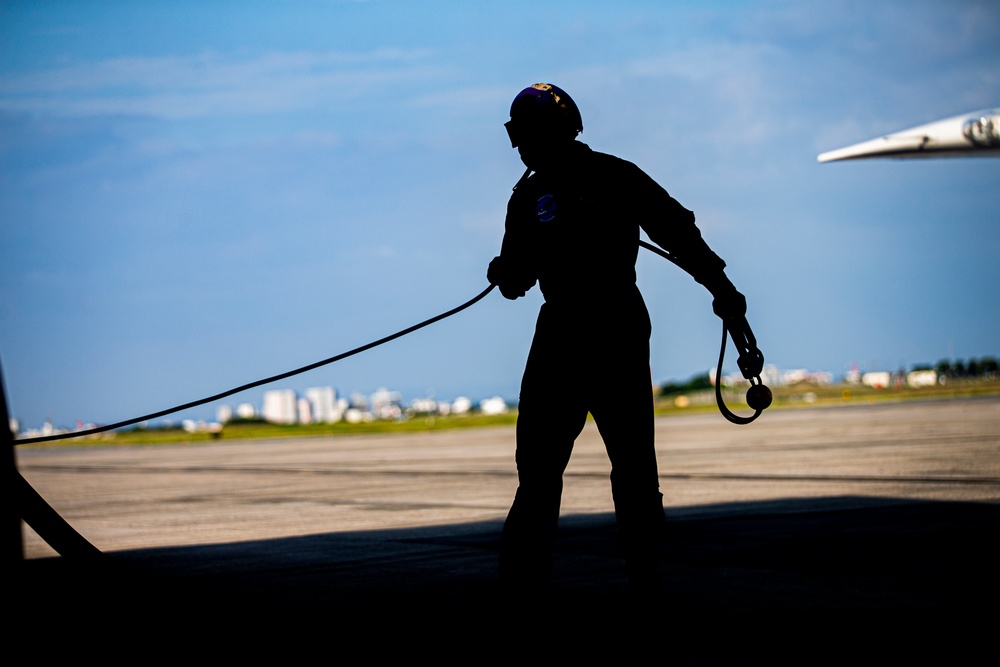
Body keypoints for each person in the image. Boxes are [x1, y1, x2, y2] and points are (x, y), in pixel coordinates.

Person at [487, 83, 751, 598]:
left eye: (526, 137)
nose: (521, 149)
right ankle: (620, 589)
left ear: (548, 134)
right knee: (582, 475)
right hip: (588, 331)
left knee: (584, 474)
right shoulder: (558, 190)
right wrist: (725, 291)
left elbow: (678, 234)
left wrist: (724, 291)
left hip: (596, 332)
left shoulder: (585, 183)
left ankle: (547, 593)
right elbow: (680, 234)